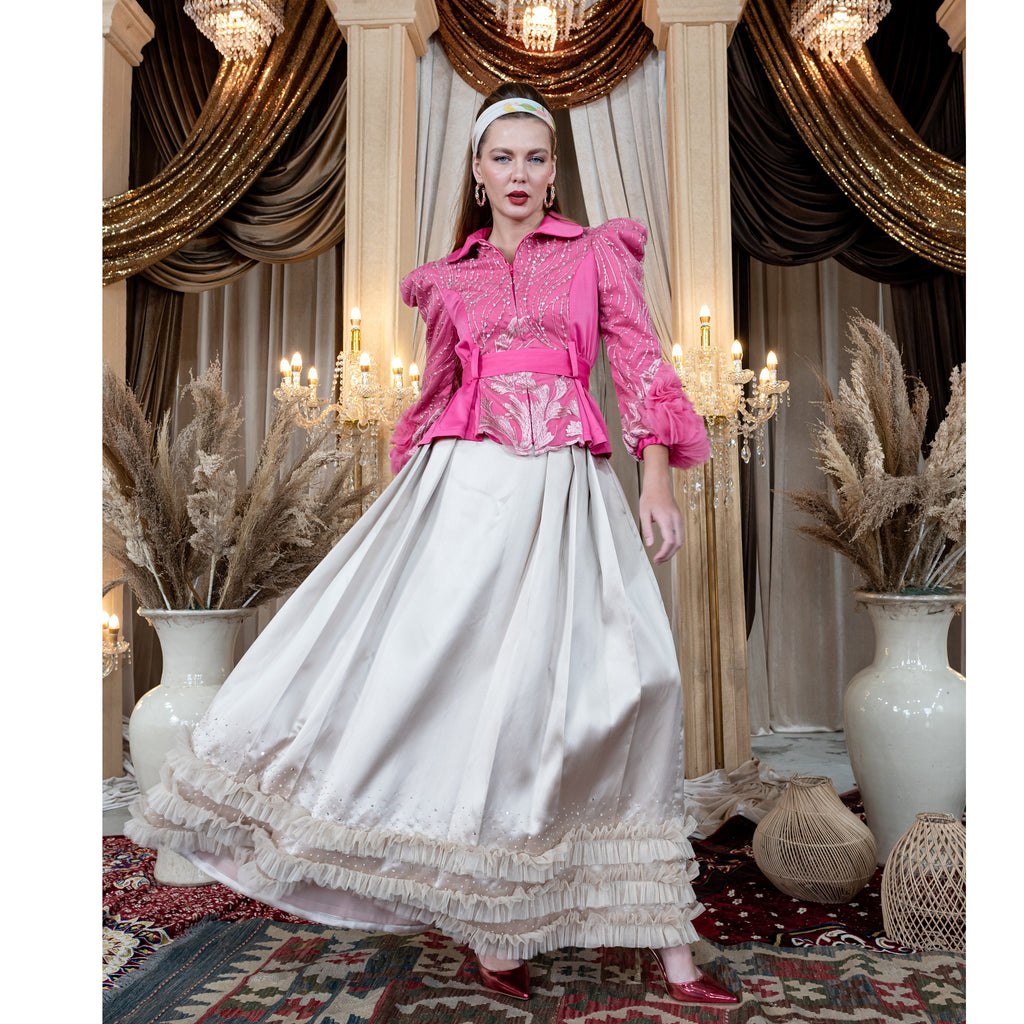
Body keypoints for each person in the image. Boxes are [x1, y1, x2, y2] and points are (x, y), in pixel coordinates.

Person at [126, 82, 738, 1007]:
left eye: (536, 158)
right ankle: (497, 929)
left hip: (564, 491)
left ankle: (668, 947)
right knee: (466, 696)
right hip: (464, 494)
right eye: (503, 157)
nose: (520, 174)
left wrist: (656, 479)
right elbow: (436, 394)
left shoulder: (596, 254)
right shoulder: (447, 280)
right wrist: (404, 510)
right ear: (477, 172)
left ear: (553, 171)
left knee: (629, 683)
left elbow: (642, 365)